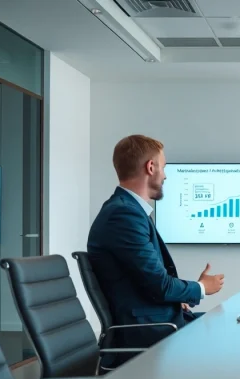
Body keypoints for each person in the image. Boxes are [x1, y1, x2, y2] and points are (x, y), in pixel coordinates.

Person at [87, 134, 224, 348]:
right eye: (164, 167)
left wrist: (185, 294)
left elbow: (148, 279)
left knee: (224, 323)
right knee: (229, 333)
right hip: (149, 331)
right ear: (151, 167)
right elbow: (160, 285)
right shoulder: (124, 215)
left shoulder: (128, 210)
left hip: (159, 320)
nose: (166, 176)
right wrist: (201, 288)